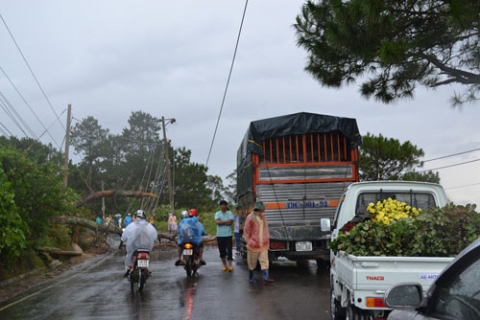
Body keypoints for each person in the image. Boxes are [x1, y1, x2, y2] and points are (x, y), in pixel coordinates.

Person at [243, 201, 274, 285]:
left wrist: (267, 239)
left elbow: (266, 229)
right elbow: (246, 231)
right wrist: (249, 241)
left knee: (264, 262)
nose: (264, 209)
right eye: (263, 208)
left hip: (263, 244)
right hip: (253, 245)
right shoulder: (250, 217)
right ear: (260, 209)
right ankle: (251, 278)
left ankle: (266, 278)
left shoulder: (263, 217)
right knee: (252, 263)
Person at [121, 209, 158, 277]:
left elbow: (124, 237)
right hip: (146, 248)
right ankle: (147, 267)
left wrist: (124, 240)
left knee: (129, 255)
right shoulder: (149, 226)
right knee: (147, 256)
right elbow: (154, 236)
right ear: (144, 217)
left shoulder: (131, 226)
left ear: (135, 216)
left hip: (134, 248)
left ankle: (128, 267)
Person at [215, 200, 234, 272]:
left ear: (226, 206)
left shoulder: (229, 213)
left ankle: (230, 266)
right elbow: (217, 222)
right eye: (221, 205)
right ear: (220, 206)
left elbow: (230, 222)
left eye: (224, 205)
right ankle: (225, 266)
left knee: (229, 250)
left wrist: (221, 222)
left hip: (228, 235)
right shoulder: (217, 213)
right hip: (220, 235)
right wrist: (226, 221)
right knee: (222, 251)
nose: (223, 206)